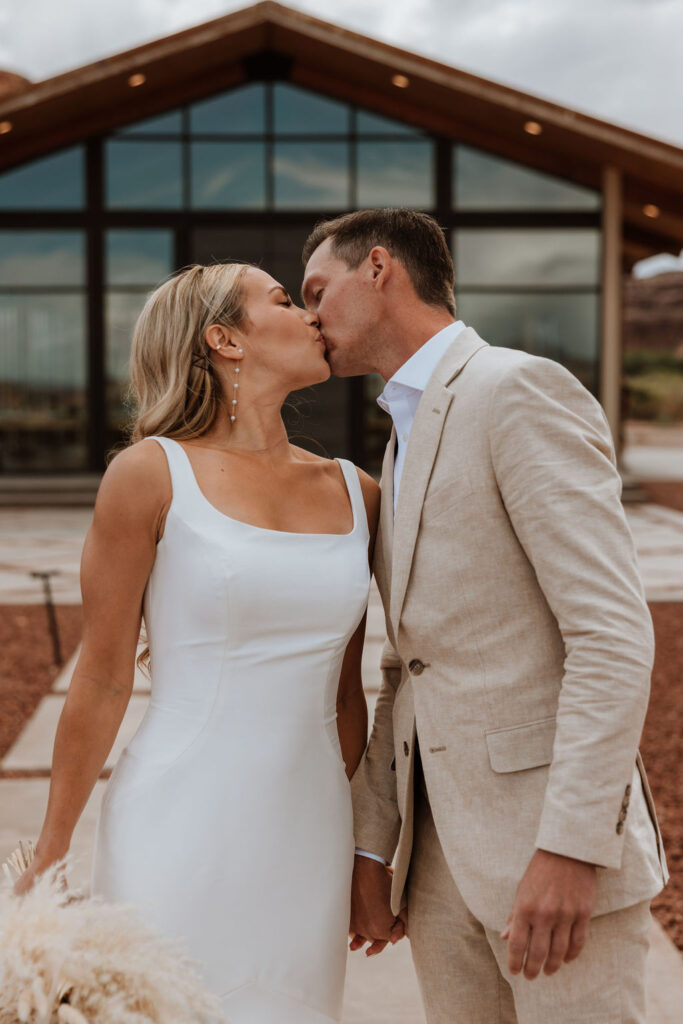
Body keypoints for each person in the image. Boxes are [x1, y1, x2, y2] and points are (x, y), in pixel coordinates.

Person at [301, 208, 669, 1024]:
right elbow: (408, 666)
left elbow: (609, 635)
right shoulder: (397, 439)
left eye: (317, 291)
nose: (308, 317)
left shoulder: (515, 389)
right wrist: (374, 845)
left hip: (552, 861)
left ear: (378, 269)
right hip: (437, 874)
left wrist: (572, 847)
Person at [14, 262, 383, 1024]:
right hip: (176, 817)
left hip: (307, 830)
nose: (310, 315)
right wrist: (51, 849)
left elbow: (347, 697)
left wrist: (361, 850)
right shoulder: (149, 476)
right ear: (224, 340)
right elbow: (104, 678)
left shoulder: (358, 491)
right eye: (283, 300)